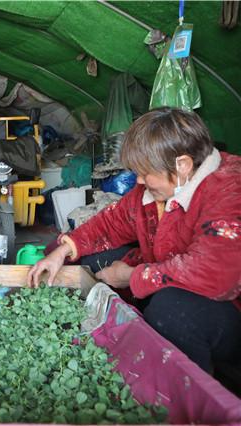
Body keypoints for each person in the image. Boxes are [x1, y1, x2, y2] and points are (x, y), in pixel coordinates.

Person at [27, 107, 241, 374]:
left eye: (145, 172)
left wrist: (131, 276)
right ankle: (123, 340)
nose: (138, 180)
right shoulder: (154, 191)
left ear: (183, 165)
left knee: (169, 311)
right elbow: (110, 224)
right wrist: (63, 250)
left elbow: (215, 275)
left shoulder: (229, 190)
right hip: (163, 277)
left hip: (224, 309)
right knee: (89, 259)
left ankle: (188, 395)